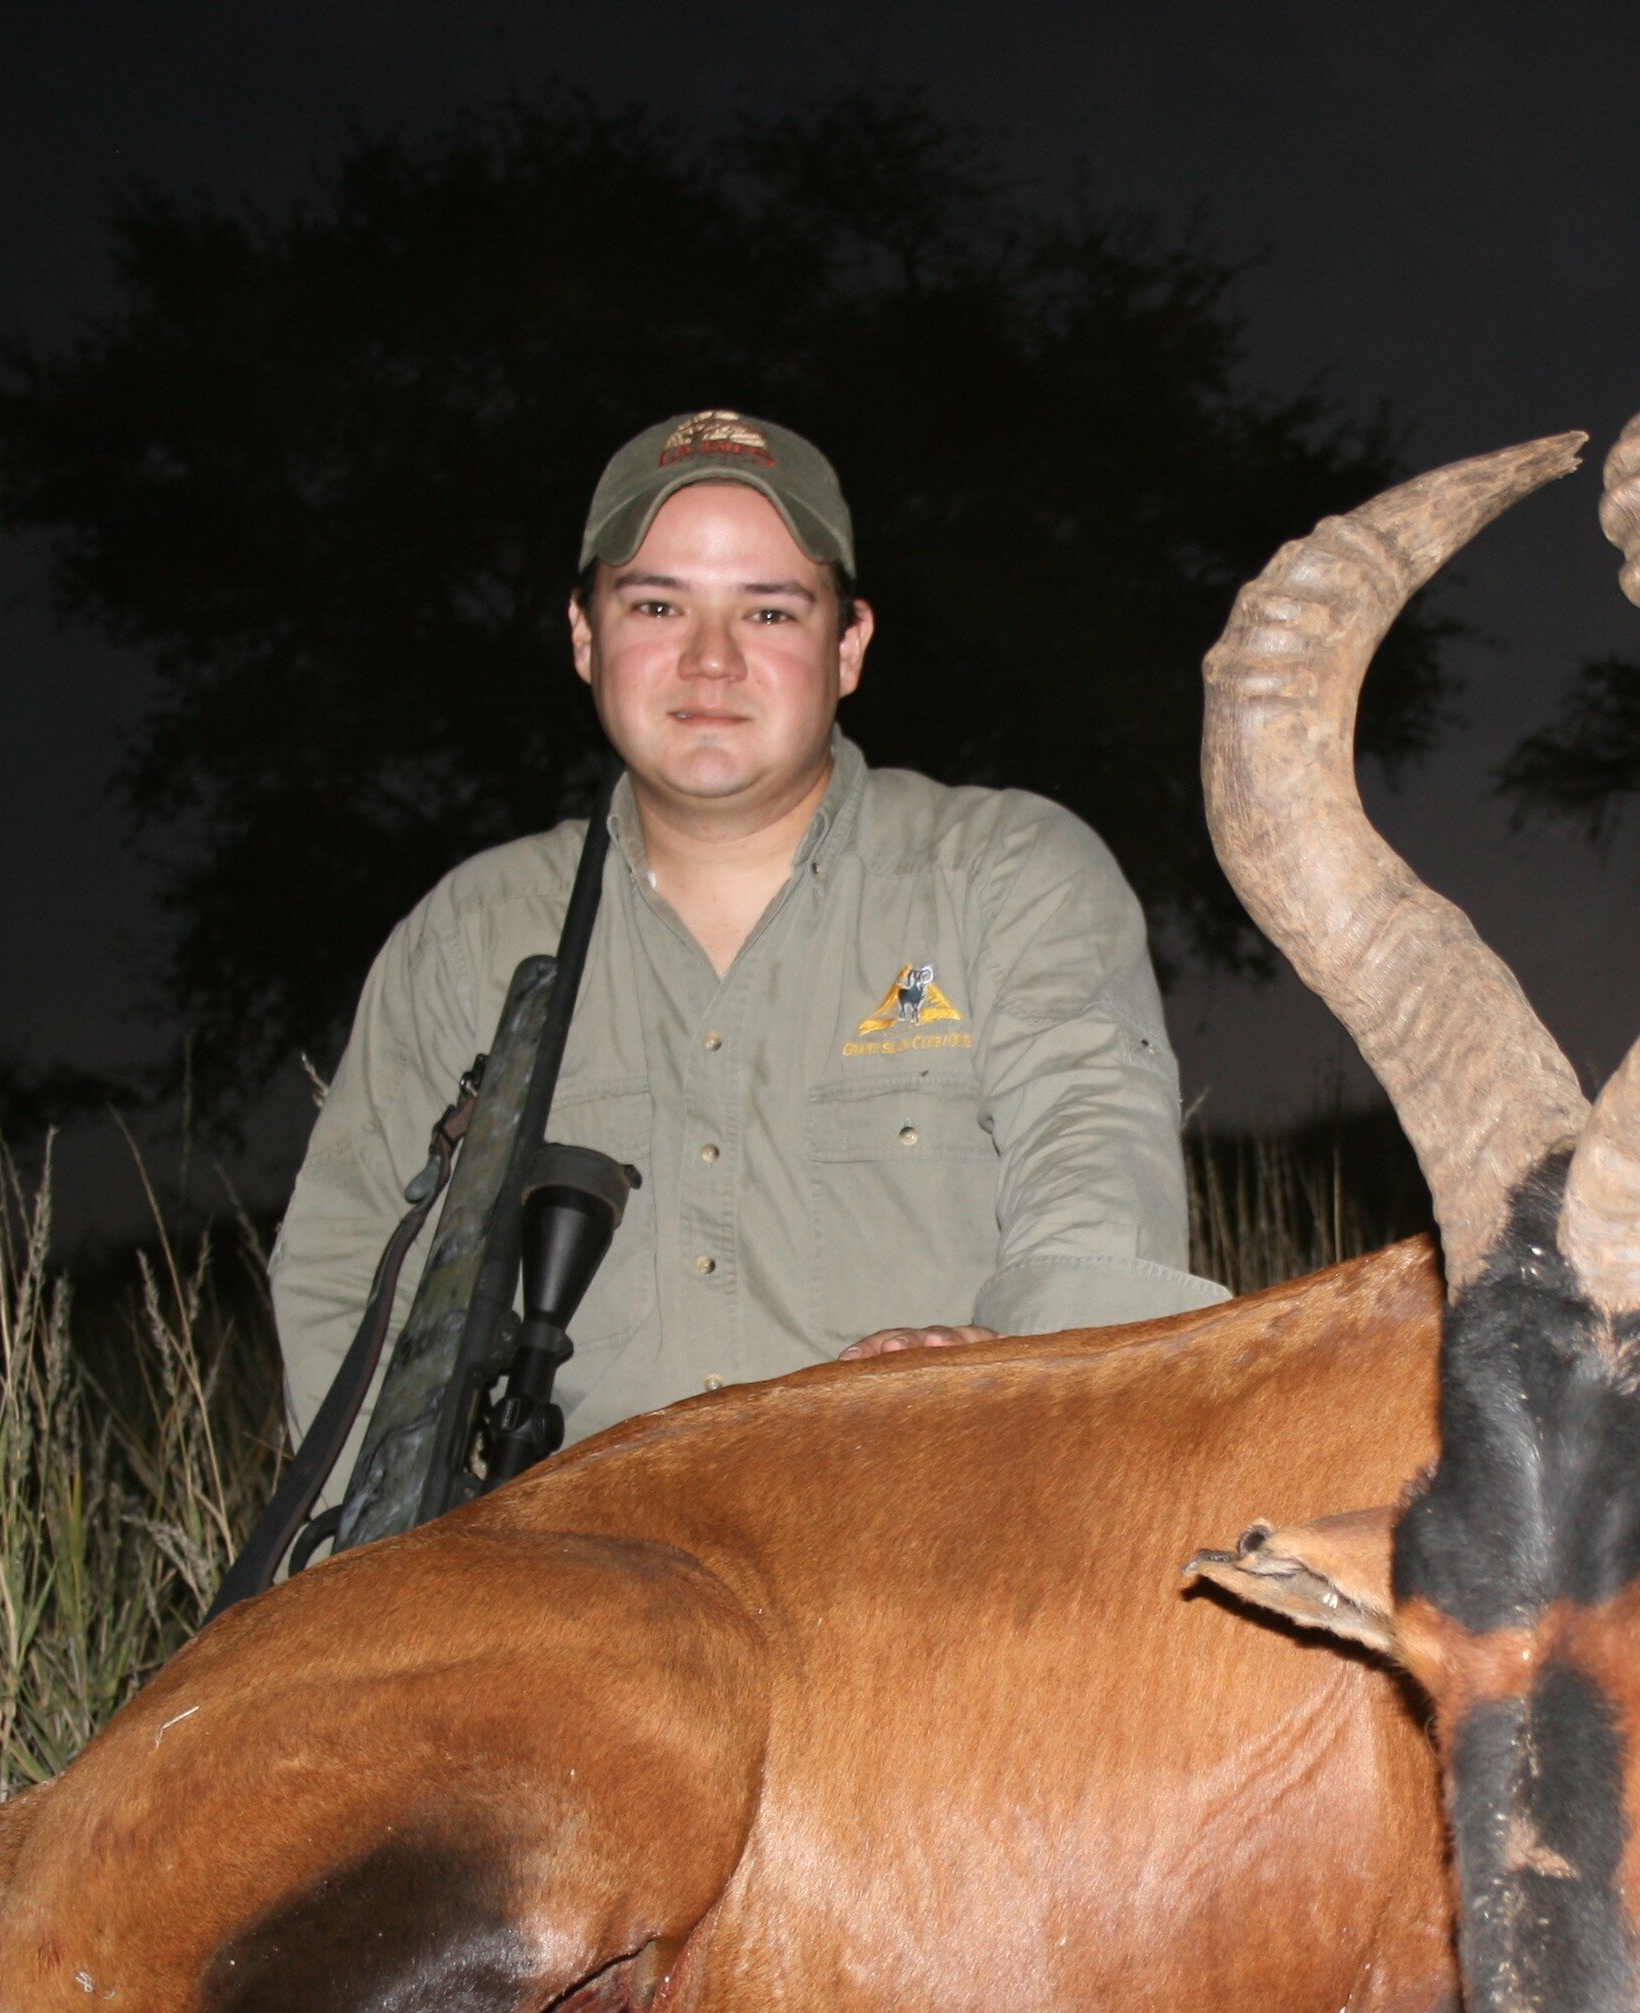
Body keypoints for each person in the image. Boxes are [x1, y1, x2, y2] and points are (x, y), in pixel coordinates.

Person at [268, 407, 1228, 1472]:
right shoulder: (471, 936)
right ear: (586, 638)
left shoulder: (1006, 876)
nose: (710, 661)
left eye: (769, 613)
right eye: (658, 605)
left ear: (848, 644)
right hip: (573, 1577)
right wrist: (392, 1561)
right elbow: (343, 1272)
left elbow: (1094, 1167)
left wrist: (1011, 1371)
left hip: (931, 1518)